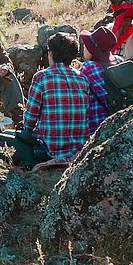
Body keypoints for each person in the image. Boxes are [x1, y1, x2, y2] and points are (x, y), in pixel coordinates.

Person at [24, 32, 90, 168]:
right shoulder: (82, 78)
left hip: (48, 149)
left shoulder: (41, 77)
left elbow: (30, 117)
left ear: (51, 54)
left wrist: (26, 132)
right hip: (78, 149)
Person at [79, 26, 124, 136]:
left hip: (98, 124)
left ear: (94, 49)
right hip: (122, 118)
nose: (84, 47)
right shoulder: (119, 60)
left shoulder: (88, 67)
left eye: (87, 45)